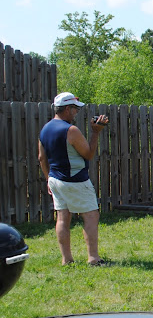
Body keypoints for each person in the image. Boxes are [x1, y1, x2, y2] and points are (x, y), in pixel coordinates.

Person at [38, 92, 108, 266]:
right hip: (75, 179)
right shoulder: (71, 130)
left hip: (55, 179)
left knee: (62, 217)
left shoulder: (45, 129)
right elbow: (89, 154)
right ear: (67, 109)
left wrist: (48, 178)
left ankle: (66, 259)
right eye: (75, 109)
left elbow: (41, 158)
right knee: (91, 215)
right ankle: (93, 258)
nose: (76, 112)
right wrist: (95, 132)